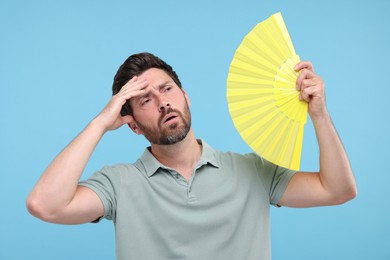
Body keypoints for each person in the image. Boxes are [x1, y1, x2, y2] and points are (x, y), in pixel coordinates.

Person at [27, 52, 357, 260]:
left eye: (167, 89)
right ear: (133, 126)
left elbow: (338, 190)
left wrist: (320, 114)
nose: (162, 102)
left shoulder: (252, 170)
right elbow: (45, 205)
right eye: (144, 100)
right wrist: (100, 122)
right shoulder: (117, 184)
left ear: (185, 97)